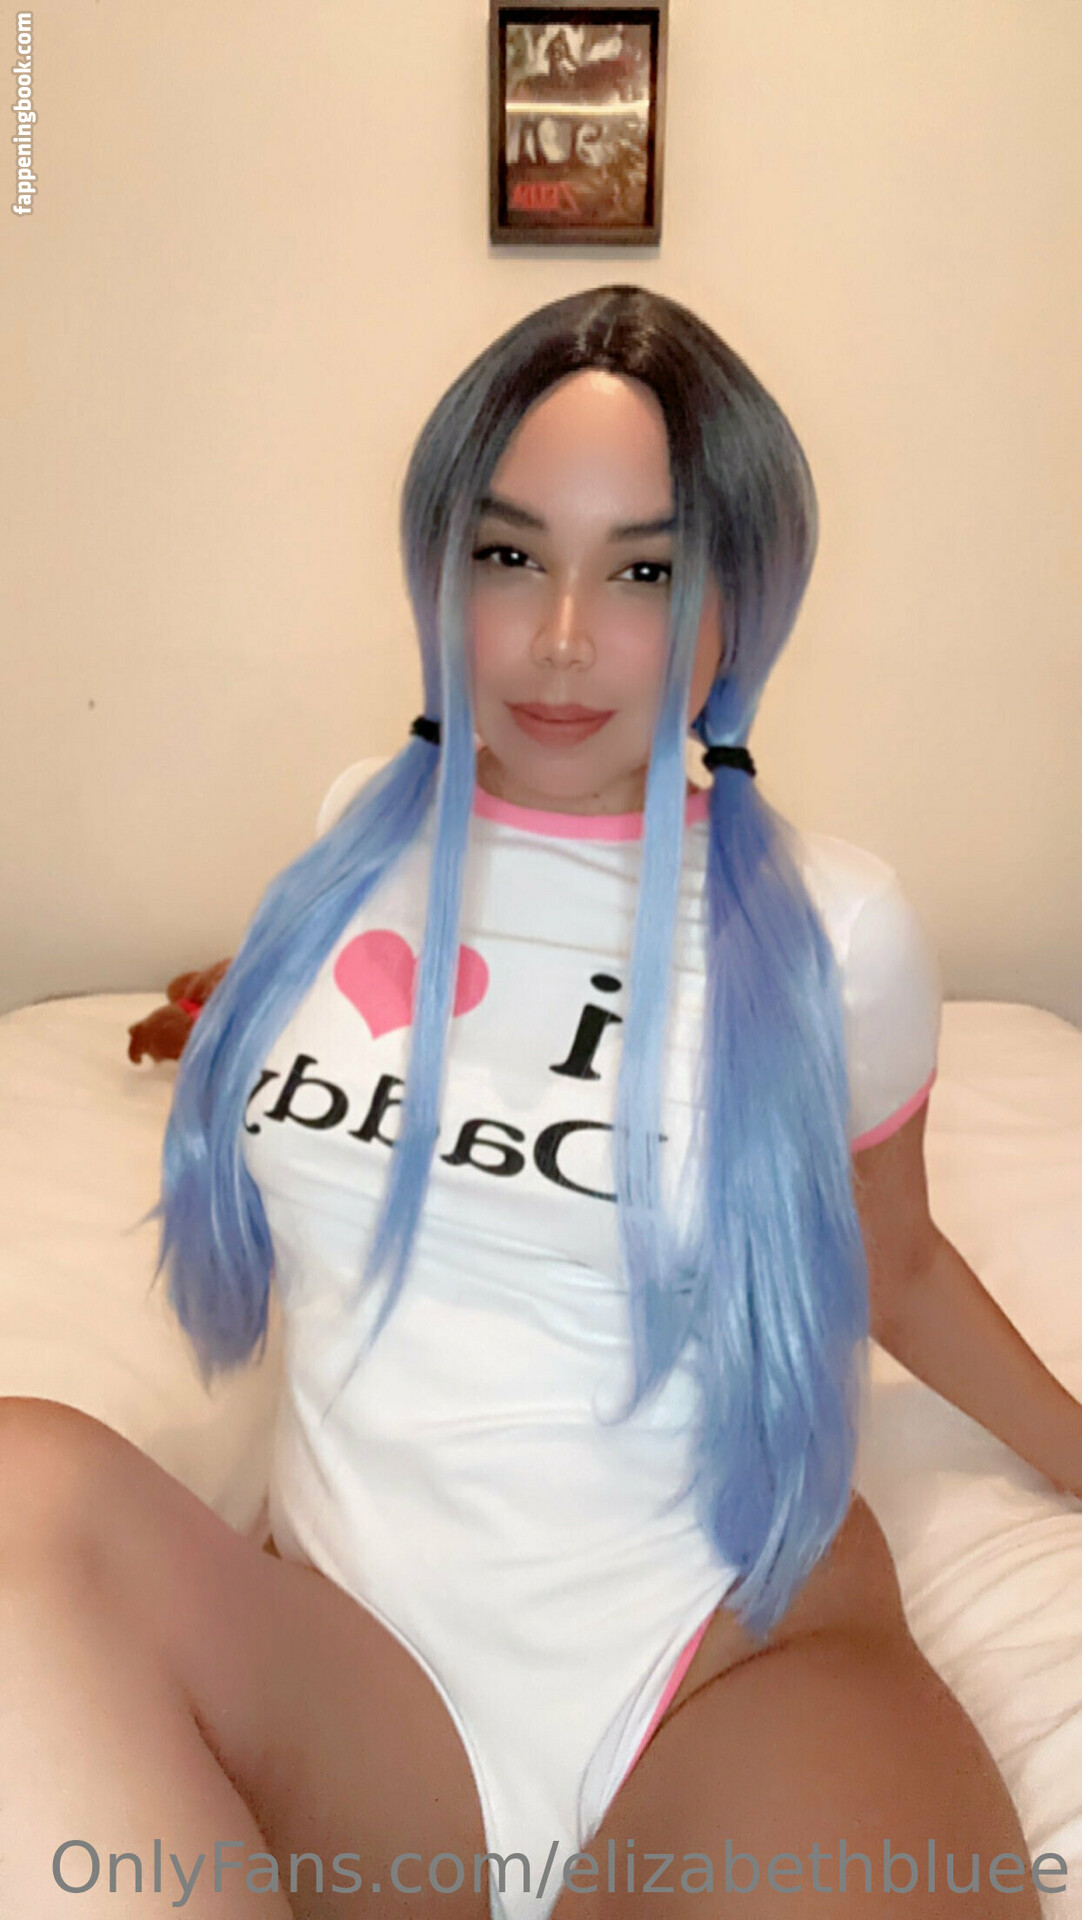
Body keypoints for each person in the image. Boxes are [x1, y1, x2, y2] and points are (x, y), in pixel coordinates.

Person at [2, 285, 1076, 1920]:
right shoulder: (355, 838)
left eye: (644, 573)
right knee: (19, 1480)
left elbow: (897, 1256)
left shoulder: (835, 928)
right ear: (441, 566)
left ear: (738, 606)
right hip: (358, 1673)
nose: (562, 636)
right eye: (509, 555)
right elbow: (411, 1021)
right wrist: (227, 1007)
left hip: (712, 1672)